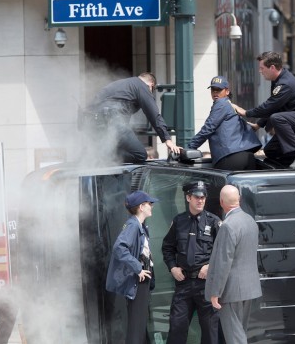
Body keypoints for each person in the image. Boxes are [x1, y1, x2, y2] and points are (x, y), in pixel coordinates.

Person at [232, 51, 295, 169]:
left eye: (262, 68)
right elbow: (276, 106)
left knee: (277, 118)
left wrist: (245, 113)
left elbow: (269, 106)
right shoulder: (279, 80)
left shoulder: (285, 84)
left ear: (272, 67)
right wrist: (258, 125)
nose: (260, 71)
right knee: (271, 150)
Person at [161, 182, 221, 344]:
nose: (200, 200)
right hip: (184, 283)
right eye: (197, 197)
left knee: (210, 331)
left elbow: (223, 253)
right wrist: (173, 267)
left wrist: (210, 267)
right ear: (188, 198)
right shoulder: (179, 221)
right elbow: (167, 248)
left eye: (203, 197)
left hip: (206, 285)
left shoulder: (214, 222)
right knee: (177, 328)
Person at [205, 185, 262, 344]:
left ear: (221, 202)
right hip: (248, 288)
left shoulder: (229, 225)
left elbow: (224, 261)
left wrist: (215, 291)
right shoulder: (250, 220)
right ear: (240, 200)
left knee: (235, 338)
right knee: (240, 333)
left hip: (231, 291)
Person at [86, 73, 180, 163]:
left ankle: (100, 157)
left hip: (96, 122)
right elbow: (154, 115)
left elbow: (94, 103)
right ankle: (105, 157)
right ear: (151, 84)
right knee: (140, 154)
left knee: (112, 148)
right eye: (152, 90)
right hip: (113, 121)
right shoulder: (141, 86)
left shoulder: (120, 84)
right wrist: (168, 140)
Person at [106, 190, 157, 344]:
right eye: (149, 204)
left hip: (141, 280)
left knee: (140, 325)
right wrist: (138, 268)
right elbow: (119, 248)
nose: (151, 206)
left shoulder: (138, 225)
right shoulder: (133, 225)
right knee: (137, 326)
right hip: (138, 281)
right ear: (141, 206)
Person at [188, 76, 261, 170]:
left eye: (218, 90)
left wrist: (190, 147)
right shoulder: (230, 106)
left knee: (223, 185)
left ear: (227, 91)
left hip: (230, 156)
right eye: (213, 89)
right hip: (247, 156)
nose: (215, 92)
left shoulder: (221, 103)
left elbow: (208, 128)